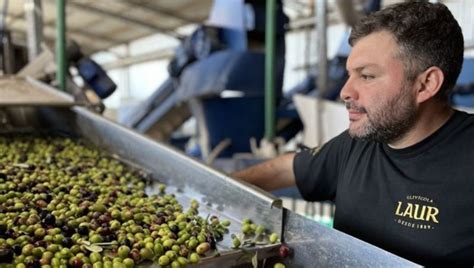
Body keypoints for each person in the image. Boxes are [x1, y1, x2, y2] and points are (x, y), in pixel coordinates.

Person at [232, 1, 472, 266]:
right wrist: (210, 189)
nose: (345, 91)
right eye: (349, 75)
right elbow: (285, 169)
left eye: (366, 76)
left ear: (426, 84)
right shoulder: (356, 145)